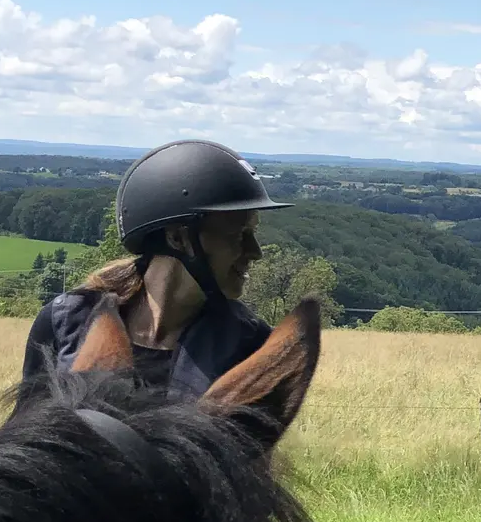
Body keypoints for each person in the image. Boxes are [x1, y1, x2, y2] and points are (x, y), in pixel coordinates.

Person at [22, 139, 288, 400]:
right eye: (239, 234)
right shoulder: (65, 321)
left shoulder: (252, 346)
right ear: (178, 238)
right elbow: (24, 434)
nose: (256, 251)